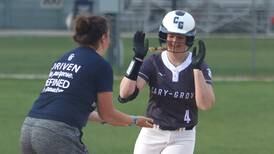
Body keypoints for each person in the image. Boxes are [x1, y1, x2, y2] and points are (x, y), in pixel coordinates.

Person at [20, 15, 153, 154]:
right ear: (103, 38)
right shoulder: (100, 65)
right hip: (56, 133)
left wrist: (129, 120)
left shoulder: (63, 59)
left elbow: (84, 111)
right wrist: (135, 120)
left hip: (29, 128)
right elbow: (107, 114)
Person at [118, 10, 215, 154]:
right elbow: (125, 94)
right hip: (151, 131)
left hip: (182, 136)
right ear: (164, 35)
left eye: (180, 37)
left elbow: (205, 104)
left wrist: (197, 70)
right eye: (171, 36)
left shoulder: (198, 64)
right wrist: (137, 59)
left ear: (189, 39)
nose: (175, 41)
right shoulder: (154, 61)